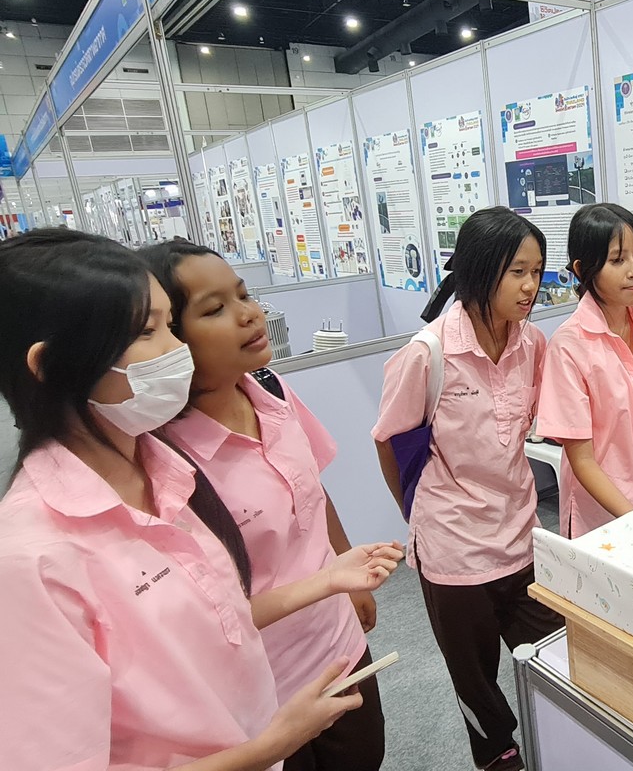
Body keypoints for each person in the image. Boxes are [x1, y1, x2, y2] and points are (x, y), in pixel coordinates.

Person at [0, 228, 402, 770]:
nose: (175, 350)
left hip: (296, 690)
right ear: (51, 365)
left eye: (169, 326)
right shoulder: (32, 558)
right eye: (147, 332)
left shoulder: (162, 474)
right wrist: (268, 747)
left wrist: (330, 579)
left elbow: (225, 617)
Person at [140, 239, 391, 771]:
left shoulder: (271, 390)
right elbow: (197, 610)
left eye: (244, 294)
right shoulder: (161, 455)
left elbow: (313, 492)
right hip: (263, 686)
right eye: (215, 309)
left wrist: (350, 577)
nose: (249, 314)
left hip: (338, 647)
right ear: (170, 338)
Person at [373, 207, 563, 771]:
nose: (530, 286)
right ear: (480, 271)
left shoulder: (533, 343)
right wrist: (420, 517)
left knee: (556, 654)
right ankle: (497, 757)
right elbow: (390, 443)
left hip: (521, 535)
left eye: (537, 271)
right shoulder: (428, 352)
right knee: (475, 679)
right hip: (453, 549)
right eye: (517, 272)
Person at [537, 203, 633, 538]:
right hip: (603, 516)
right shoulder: (569, 346)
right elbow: (582, 459)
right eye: (617, 260)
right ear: (582, 269)